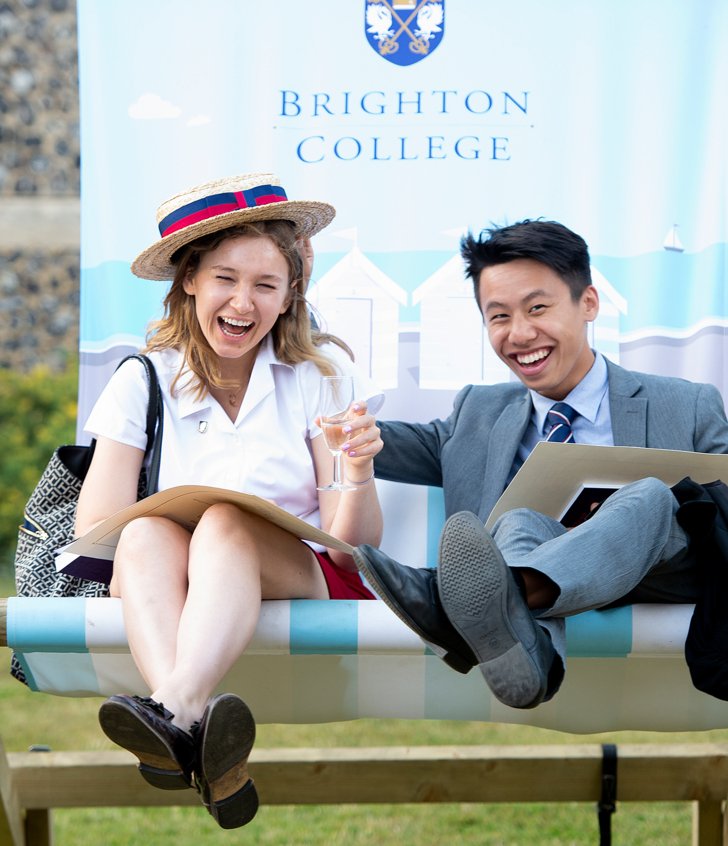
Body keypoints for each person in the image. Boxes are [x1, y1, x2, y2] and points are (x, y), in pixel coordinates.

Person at [75, 172, 384, 829]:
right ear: (189, 279)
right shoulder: (143, 380)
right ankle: (192, 727)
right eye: (225, 278)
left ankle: (172, 710)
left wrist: (356, 470)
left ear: (287, 296)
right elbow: (97, 530)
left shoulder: (320, 378)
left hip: (302, 574)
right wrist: (174, 519)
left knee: (223, 521)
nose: (243, 301)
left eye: (265, 285)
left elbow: (354, 546)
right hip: (172, 577)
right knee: (145, 532)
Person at [352, 219, 728, 711]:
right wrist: (341, 426)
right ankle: (531, 659)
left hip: (666, 571)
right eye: (499, 316)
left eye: (537, 308)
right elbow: (378, 441)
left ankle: (459, 601)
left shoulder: (688, 403)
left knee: (652, 494)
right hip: (549, 571)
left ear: (588, 303)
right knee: (519, 522)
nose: (520, 333)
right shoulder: (477, 413)